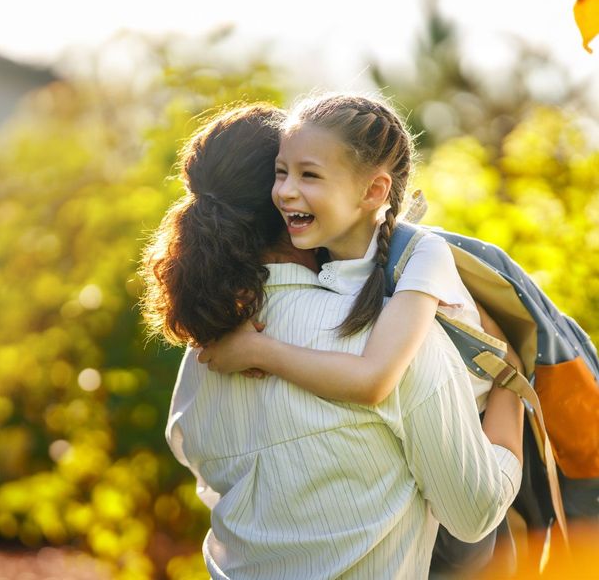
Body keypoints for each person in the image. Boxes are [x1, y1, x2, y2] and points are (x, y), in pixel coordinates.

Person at [141, 103, 523, 579]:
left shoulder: (207, 355)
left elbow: (211, 481)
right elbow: (475, 513)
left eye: (309, 173)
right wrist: (512, 381)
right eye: (284, 172)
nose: (291, 188)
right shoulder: (393, 338)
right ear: (278, 201)